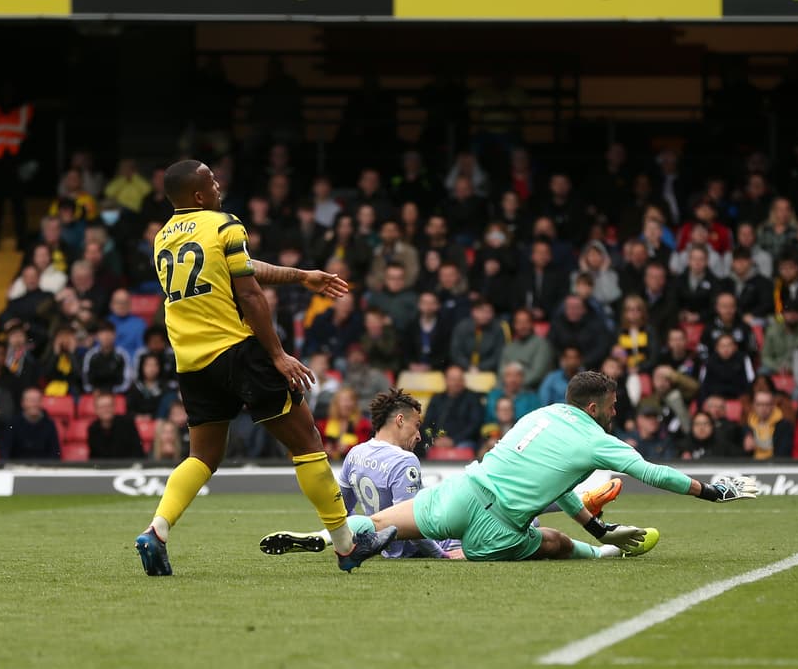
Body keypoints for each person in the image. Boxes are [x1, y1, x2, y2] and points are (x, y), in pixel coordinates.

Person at [133, 159, 393, 577]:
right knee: (307, 440)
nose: (218, 184)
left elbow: (242, 268)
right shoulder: (224, 224)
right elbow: (250, 293)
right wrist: (277, 355)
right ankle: (347, 547)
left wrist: (301, 276)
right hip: (237, 351)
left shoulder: (163, 237)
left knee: (202, 455)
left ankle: (156, 531)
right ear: (199, 195)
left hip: (191, 361)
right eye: (211, 181)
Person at [321, 372, 757, 562]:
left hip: (463, 491)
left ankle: (323, 538)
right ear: (593, 407)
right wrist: (713, 491)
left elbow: (555, 482)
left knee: (377, 521)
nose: (616, 409)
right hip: (496, 529)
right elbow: (654, 473)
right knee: (554, 542)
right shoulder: (597, 440)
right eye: (612, 405)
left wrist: (598, 522)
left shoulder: (540, 415)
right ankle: (604, 554)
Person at [261, 388, 627, 560]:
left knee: (369, 520)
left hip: (368, 536)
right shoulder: (405, 463)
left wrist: (347, 535)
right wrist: (440, 556)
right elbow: (417, 526)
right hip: (406, 550)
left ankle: (320, 538)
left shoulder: (355, 453)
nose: (420, 436)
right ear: (400, 420)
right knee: (518, 528)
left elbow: (347, 506)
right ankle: (591, 528)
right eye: (417, 426)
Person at [0, 388, 60, 460]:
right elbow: (5, 451)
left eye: (37, 400)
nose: (34, 404)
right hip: (16, 468)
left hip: (44, 468)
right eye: (31, 401)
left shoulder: (49, 424)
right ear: (22, 403)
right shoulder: (13, 424)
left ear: (41, 403)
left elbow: (55, 453)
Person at [87, 391, 145, 459]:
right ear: (96, 410)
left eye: (109, 406)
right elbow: (94, 457)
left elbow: (138, 452)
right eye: (102, 407)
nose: (106, 410)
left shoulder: (128, 424)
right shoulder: (93, 429)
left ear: (114, 407)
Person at [744, 386, 793, 459]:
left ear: (773, 406)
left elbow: (784, 453)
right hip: (752, 467)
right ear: (754, 406)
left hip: (775, 466)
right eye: (759, 404)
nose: (763, 408)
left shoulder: (785, 426)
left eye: (767, 404)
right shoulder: (747, 426)